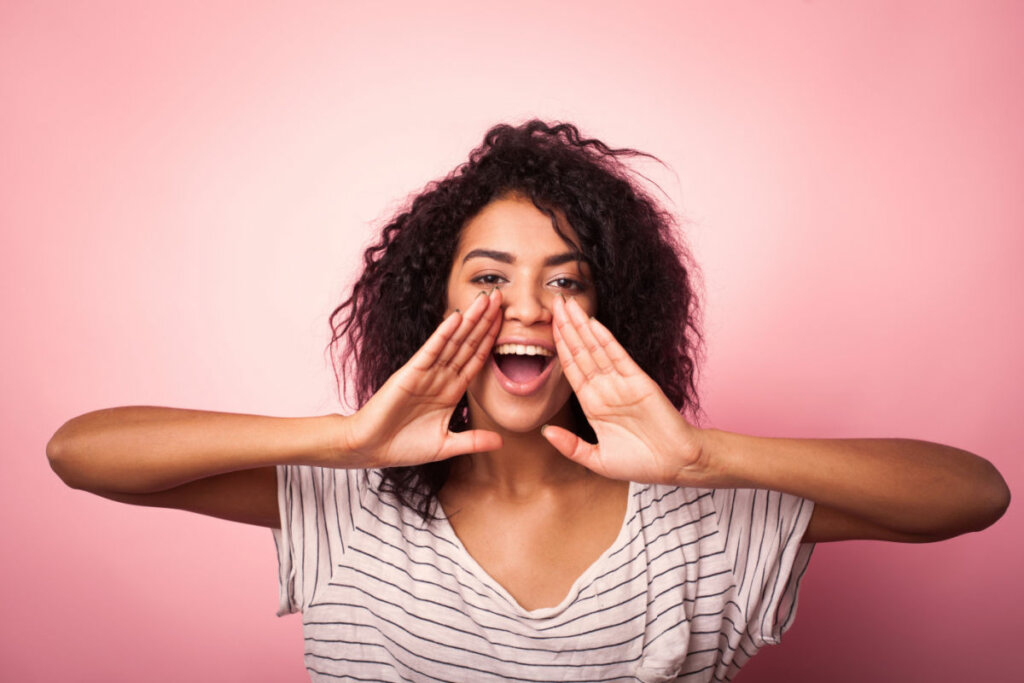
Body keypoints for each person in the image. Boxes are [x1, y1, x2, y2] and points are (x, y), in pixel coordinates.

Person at [47, 120, 1010, 682]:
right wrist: (346, 439)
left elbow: (973, 494)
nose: (525, 310)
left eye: (565, 280)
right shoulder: (348, 500)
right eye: (488, 277)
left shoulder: (707, 515)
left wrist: (704, 459)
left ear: (611, 309)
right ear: (433, 305)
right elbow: (81, 452)